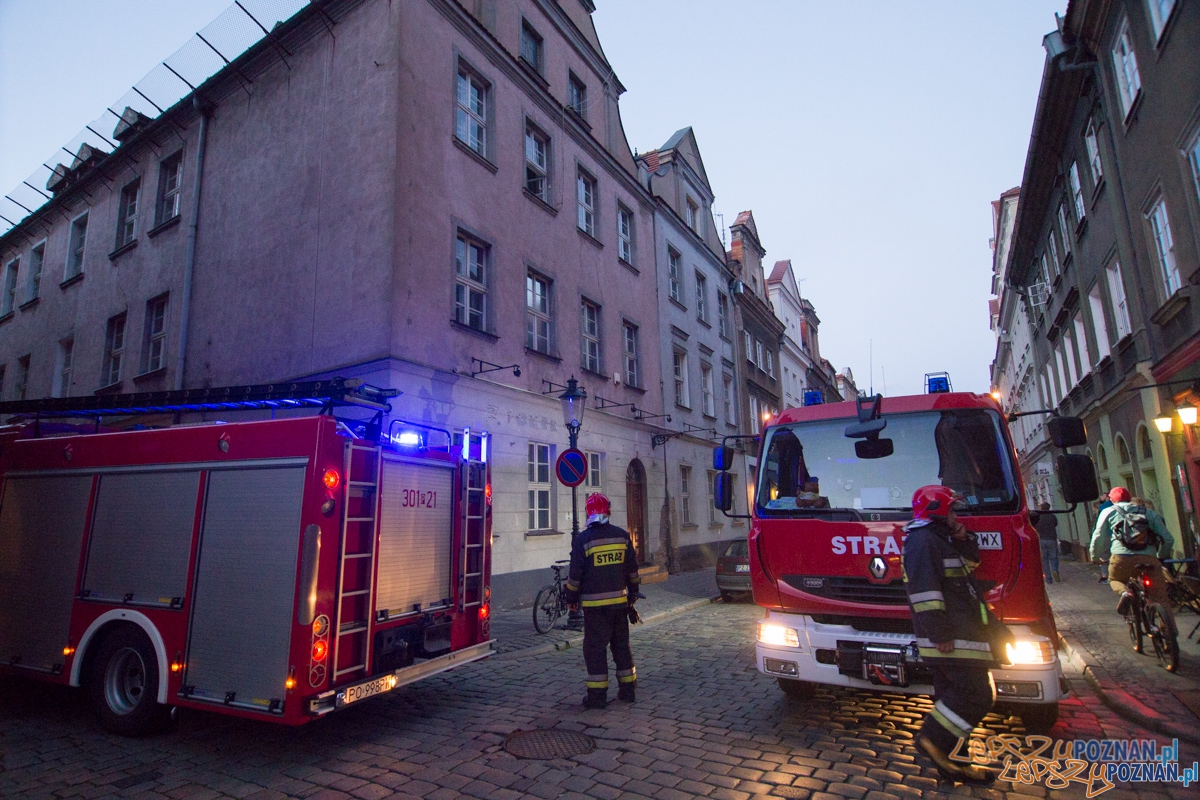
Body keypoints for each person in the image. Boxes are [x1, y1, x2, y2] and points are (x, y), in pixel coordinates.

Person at [903, 485, 1002, 785]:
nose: (957, 515)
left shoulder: (938, 539)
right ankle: (932, 738)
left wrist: (964, 539)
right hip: (951, 636)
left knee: (952, 695)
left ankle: (955, 762)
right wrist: (940, 632)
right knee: (977, 694)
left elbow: (969, 569)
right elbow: (925, 593)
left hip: (960, 632)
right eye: (952, 510)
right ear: (937, 511)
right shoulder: (923, 541)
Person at [564, 492, 640, 709]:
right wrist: (633, 594)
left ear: (588, 513)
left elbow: (575, 575)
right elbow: (632, 571)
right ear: (608, 511)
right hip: (619, 605)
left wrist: (571, 598)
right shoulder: (622, 536)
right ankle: (628, 691)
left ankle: (597, 697)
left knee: (595, 650)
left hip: (595, 610)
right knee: (621, 647)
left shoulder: (583, 540)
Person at [1090, 487, 1174, 613]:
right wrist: (1160, 556)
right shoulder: (1148, 512)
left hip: (1121, 558)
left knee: (1114, 579)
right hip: (1148, 557)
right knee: (1161, 597)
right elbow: (1168, 539)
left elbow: (1098, 537)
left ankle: (1125, 594)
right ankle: (1169, 629)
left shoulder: (1108, 512)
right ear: (1129, 498)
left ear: (1112, 500)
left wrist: (1095, 557)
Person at [1034, 502, 1060, 584]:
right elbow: (1055, 524)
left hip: (1041, 539)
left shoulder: (1038, 517)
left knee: (1044, 559)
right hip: (1051, 539)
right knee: (1054, 557)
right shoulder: (1052, 516)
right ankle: (1054, 570)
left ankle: (1048, 579)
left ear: (1041, 508)